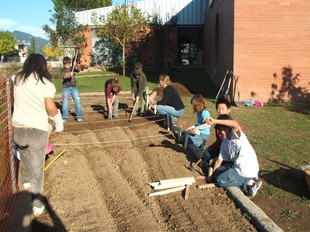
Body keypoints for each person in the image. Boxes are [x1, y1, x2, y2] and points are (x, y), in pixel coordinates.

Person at [11, 54, 64, 217]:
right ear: (43, 66)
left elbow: (15, 74)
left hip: (18, 128)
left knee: (24, 154)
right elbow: (50, 106)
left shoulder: (18, 78)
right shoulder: (46, 83)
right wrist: (58, 122)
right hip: (37, 129)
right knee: (37, 168)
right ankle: (37, 203)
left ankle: (25, 182)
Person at [206, 114, 262, 198]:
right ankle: (246, 182)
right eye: (220, 130)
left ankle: (250, 184)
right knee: (219, 171)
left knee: (220, 180)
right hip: (236, 167)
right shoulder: (225, 143)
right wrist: (212, 175)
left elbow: (234, 124)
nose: (222, 132)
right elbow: (219, 161)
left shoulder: (236, 135)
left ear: (229, 128)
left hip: (246, 169)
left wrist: (215, 121)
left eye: (224, 129)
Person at [61, 56, 83, 122]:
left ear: (70, 63)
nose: (67, 65)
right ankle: (64, 117)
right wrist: (69, 75)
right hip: (66, 88)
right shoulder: (62, 70)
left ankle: (79, 116)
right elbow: (64, 77)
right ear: (63, 64)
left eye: (68, 64)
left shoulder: (72, 68)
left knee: (77, 101)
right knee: (65, 102)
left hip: (74, 87)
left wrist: (75, 65)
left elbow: (78, 70)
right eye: (65, 64)